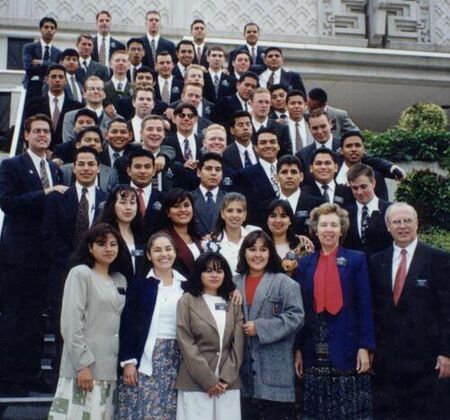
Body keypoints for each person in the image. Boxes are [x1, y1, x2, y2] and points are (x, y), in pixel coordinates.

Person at [0, 114, 66, 396]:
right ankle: (11, 377)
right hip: (19, 255)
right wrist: (45, 192)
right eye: (36, 131)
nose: (42, 135)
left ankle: (32, 374)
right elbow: (8, 203)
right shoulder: (11, 165)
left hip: (45, 256)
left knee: (39, 318)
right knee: (16, 316)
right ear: (25, 135)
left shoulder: (55, 168)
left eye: (46, 131)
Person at [294, 202, 376, 419]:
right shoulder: (304, 264)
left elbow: (365, 305)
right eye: (323, 225)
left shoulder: (356, 259)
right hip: (314, 351)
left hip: (348, 351)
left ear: (342, 229)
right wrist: (299, 349)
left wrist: (365, 347)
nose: (328, 230)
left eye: (334, 225)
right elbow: (301, 310)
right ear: (315, 229)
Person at [369, 202, 450, 419]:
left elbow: (447, 310)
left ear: (417, 224)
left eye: (407, 221)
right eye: (396, 221)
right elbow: (373, 310)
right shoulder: (377, 261)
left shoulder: (439, 259)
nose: (402, 226)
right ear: (388, 227)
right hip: (388, 360)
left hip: (428, 360)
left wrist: (446, 353)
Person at [47, 223, 128, 419]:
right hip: (84, 369)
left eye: (113, 244)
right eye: (101, 244)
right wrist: (82, 365)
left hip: (109, 370)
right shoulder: (81, 273)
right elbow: (70, 322)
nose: (108, 249)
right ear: (90, 248)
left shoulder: (120, 279)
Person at [234, 230, 304, 420]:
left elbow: (296, 317)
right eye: (252, 249)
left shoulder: (286, 283)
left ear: (271, 253)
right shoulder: (233, 284)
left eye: (263, 249)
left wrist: (260, 327)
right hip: (243, 379)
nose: (257, 255)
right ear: (243, 253)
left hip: (276, 378)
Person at [117, 232, 187, 419]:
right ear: (148, 255)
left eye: (168, 249)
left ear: (175, 252)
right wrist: (129, 361)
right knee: (143, 410)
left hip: (177, 358)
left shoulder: (187, 286)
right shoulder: (140, 285)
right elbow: (128, 324)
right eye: (157, 250)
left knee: (170, 411)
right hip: (146, 356)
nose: (164, 254)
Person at [176, 252, 244, 420]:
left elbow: (238, 343)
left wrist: (226, 378)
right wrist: (208, 380)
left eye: (219, 271)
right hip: (195, 381)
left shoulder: (232, 301)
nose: (214, 275)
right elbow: (186, 342)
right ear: (199, 273)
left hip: (227, 383)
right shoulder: (187, 301)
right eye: (208, 271)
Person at [96, 184, 145, 283]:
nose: (128, 208)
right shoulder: (102, 233)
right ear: (113, 205)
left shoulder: (141, 234)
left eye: (132, 203)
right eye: (123, 203)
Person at [344, 163, 392, 257]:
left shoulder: (390, 210)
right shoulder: (345, 213)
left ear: (373, 183)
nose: (359, 192)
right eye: (355, 188)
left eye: (363, 186)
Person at [206, 192, 260, 275]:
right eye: (230, 210)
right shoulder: (212, 243)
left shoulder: (255, 237)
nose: (234, 215)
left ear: (245, 215)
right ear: (222, 214)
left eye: (239, 211)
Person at [154, 188, 203, 277]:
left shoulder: (197, 236)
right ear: (168, 212)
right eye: (176, 206)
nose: (183, 210)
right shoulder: (161, 238)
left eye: (186, 205)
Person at [264, 199, 314, 275]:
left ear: (290, 220)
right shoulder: (261, 245)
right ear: (267, 221)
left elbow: (310, 273)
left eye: (283, 216)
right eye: (273, 216)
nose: (278, 220)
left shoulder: (302, 246)